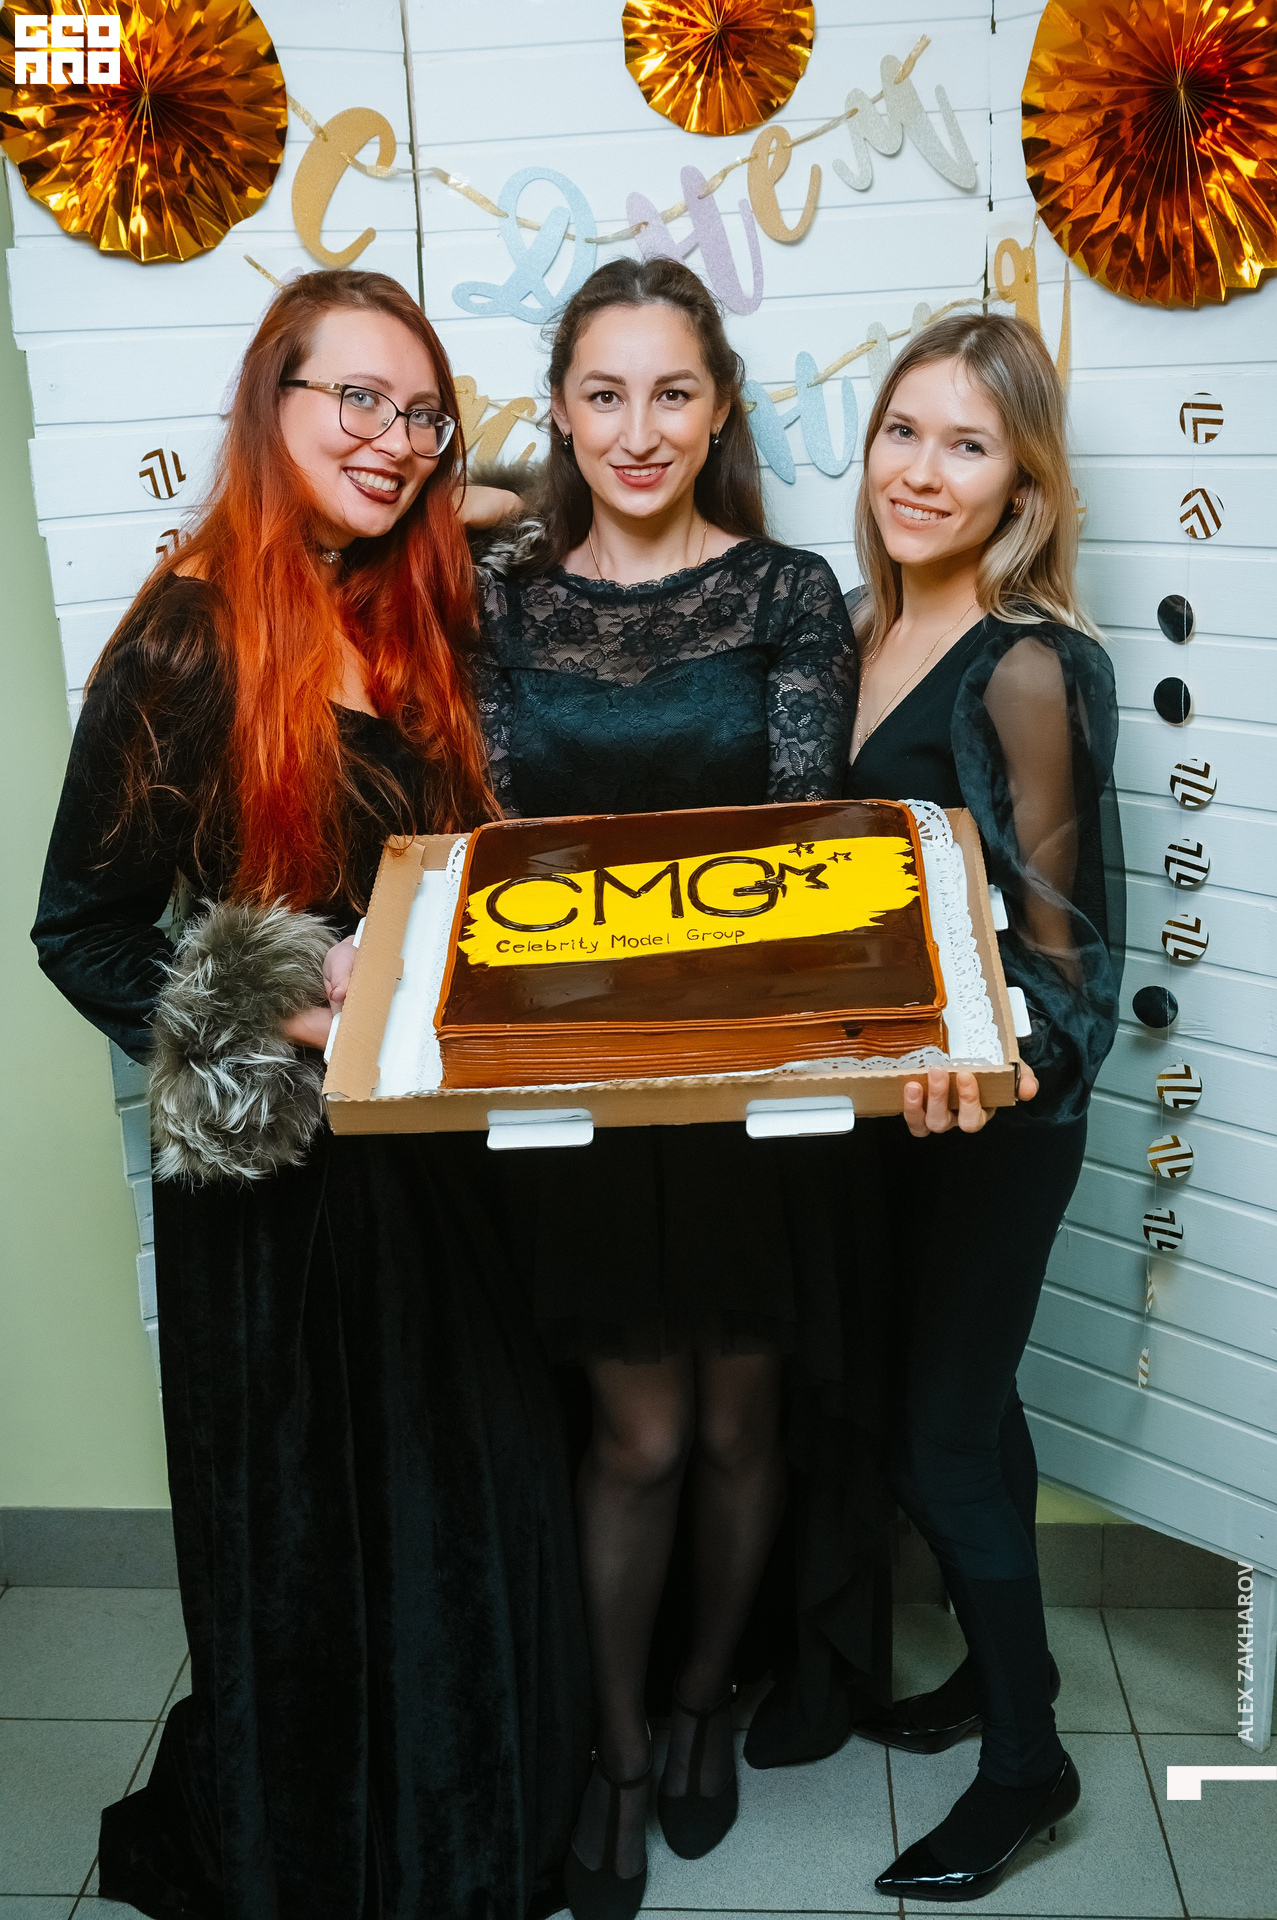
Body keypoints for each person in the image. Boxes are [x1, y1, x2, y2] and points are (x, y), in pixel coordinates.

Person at [31, 268, 591, 1920]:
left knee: (463, 1504)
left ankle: (464, 1843)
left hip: (433, 1159)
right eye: (354, 398)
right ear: (266, 398)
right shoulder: (184, 640)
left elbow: (530, 498)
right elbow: (79, 931)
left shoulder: (380, 597)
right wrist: (285, 1002)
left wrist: (422, 478)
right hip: (285, 1207)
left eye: (421, 416)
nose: (396, 442)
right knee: (325, 1545)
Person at [472, 255, 858, 1919]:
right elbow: (490, 845)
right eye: (605, 393)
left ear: (718, 411)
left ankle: (705, 1703)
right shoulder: (495, 602)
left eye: (672, 393)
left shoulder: (787, 592)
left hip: (751, 1083)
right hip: (572, 1089)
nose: (638, 429)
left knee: (738, 1422)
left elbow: (794, 838)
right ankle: (621, 1750)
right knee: (635, 1435)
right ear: (561, 410)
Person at [829, 311, 1122, 1899]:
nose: (920, 471)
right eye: (902, 430)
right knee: (964, 1409)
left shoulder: (1024, 660)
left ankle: (1027, 1764)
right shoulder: (856, 632)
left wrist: (1013, 1070)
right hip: (888, 1108)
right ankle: (1002, 1678)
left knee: (935, 1446)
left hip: (994, 1119)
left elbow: (1067, 948)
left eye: (966, 443)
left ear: (1022, 484)